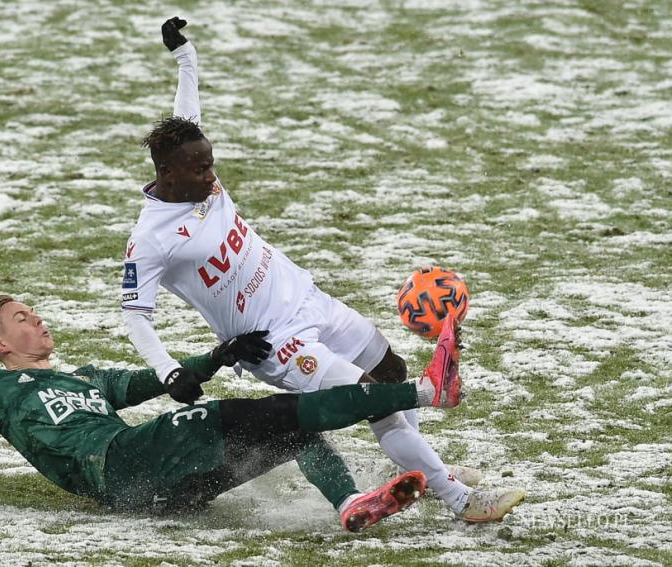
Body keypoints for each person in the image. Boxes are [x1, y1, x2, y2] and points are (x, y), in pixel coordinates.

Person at [120, 17, 525, 522]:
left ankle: (425, 466)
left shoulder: (194, 167)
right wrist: (169, 370)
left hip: (309, 301)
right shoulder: (151, 239)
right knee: (374, 400)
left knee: (390, 372)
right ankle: (460, 500)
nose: (211, 175)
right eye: (201, 169)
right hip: (276, 342)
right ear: (168, 173)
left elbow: (188, 112)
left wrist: (185, 58)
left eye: (210, 164)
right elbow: (135, 314)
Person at [0, 295, 465, 532]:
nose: (37, 320)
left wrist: (217, 355)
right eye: (22, 318)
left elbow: (159, 383)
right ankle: (426, 392)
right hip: (121, 470)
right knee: (276, 413)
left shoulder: (85, 377)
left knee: (287, 432)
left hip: (163, 489)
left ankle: (350, 506)